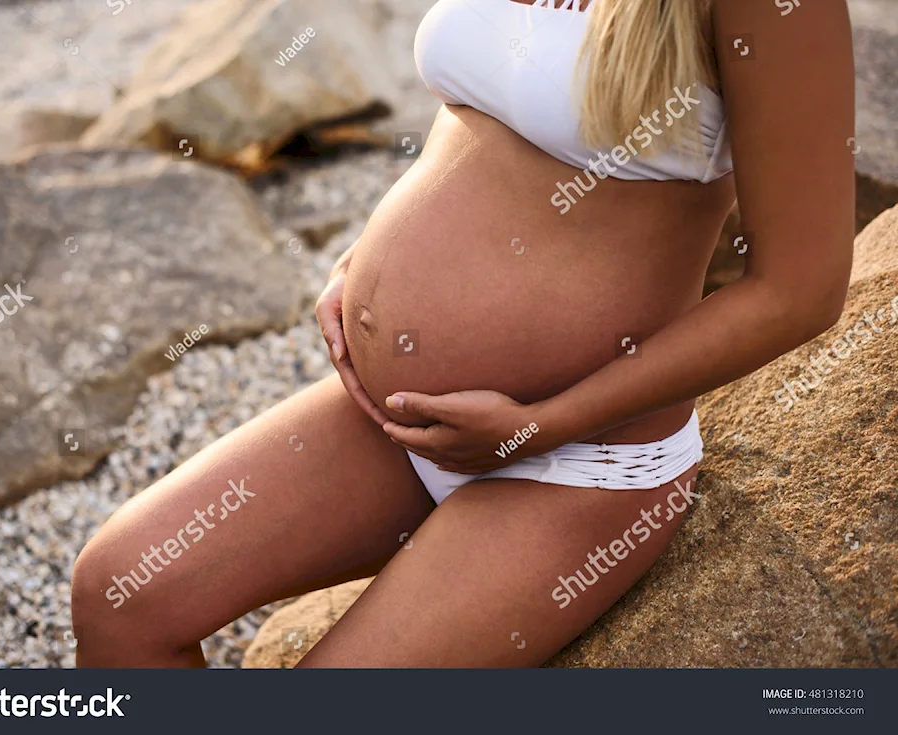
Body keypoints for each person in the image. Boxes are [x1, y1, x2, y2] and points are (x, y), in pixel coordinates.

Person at [72, 0, 855, 667]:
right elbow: (484, 111)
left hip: (574, 461)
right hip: (403, 421)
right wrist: (371, 257)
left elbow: (800, 288)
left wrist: (545, 423)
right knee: (118, 595)